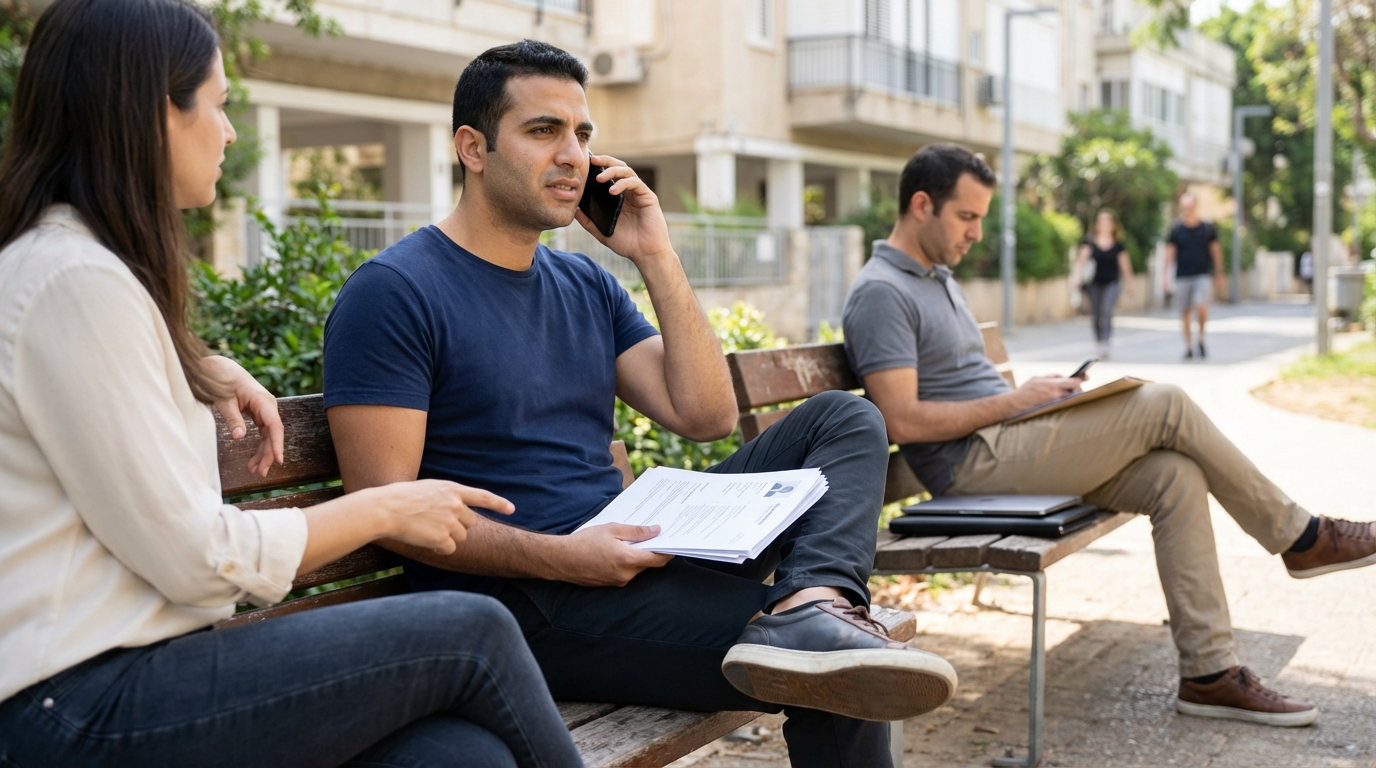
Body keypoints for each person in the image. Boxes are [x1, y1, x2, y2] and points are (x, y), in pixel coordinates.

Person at [321, 39, 957, 768]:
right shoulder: (396, 291)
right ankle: (809, 627)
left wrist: (655, 254)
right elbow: (387, 504)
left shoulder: (584, 286)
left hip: (618, 554)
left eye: (582, 134)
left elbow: (704, 415)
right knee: (838, 671)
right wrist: (564, 558)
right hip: (521, 604)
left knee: (845, 418)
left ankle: (811, 604)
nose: (574, 156)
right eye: (542, 131)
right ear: (473, 147)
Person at [0, 3, 585, 767]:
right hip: (76, 706)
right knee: (474, 630)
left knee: (457, 755)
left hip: (122, 680)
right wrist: (381, 507)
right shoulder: (74, 278)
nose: (230, 131)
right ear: (152, 115)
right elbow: (196, 558)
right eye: (219, 104)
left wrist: (195, 364)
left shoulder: (73, 270)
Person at [842, 143, 1376, 729]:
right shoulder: (881, 292)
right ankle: (1302, 537)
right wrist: (1015, 400)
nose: (976, 233)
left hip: (1007, 440)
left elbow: (963, 384)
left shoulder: (937, 276)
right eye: (966, 217)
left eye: (980, 219)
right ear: (922, 205)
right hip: (969, 467)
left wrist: (1039, 394)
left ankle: (1209, 675)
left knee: (1176, 475)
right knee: (1163, 403)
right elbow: (901, 420)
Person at [1165, 193, 1225, 359]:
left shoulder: (1206, 228)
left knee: (1201, 304)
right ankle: (1189, 346)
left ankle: (1201, 338)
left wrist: (1219, 272)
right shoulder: (1176, 229)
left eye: (1190, 207)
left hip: (1202, 274)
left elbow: (1216, 250)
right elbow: (1169, 252)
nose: (1187, 210)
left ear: (1195, 207)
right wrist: (1165, 276)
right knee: (1184, 311)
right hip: (1182, 275)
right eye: (1184, 207)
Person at [1074, 209, 1134, 359]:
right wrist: (1076, 277)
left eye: (1108, 221)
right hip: (1093, 283)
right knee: (1096, 314)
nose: (1104, 224)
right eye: (1101, 221)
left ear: (1113, 224)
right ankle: (1099, 341)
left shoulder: (1118, 244)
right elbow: (1081, 261)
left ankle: (1106, 342)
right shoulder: (1090, 241)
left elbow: (1125, 265)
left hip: (1112, 282)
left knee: (1107, 311)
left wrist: (1129, 283)